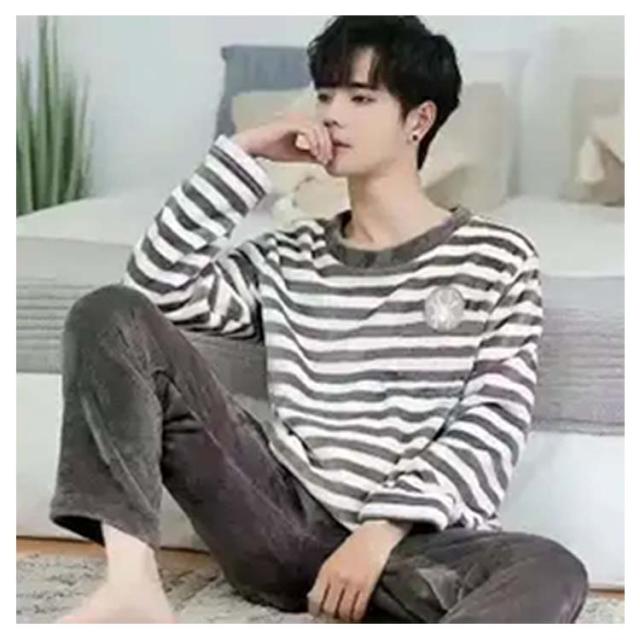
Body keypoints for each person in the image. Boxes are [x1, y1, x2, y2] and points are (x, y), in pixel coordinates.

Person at [49, 16, 589, 624]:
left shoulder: (497, 258)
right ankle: (132, 587)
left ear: (418, 120)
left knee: (551, 569)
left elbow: (492, 418)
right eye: (326, 95)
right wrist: (243, 153)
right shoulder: (288, 255)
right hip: (280, 523)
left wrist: (381, 532)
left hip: (412, 547)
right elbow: (153, 288)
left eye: (360, 98)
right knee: (108, 310)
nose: (332, 114)